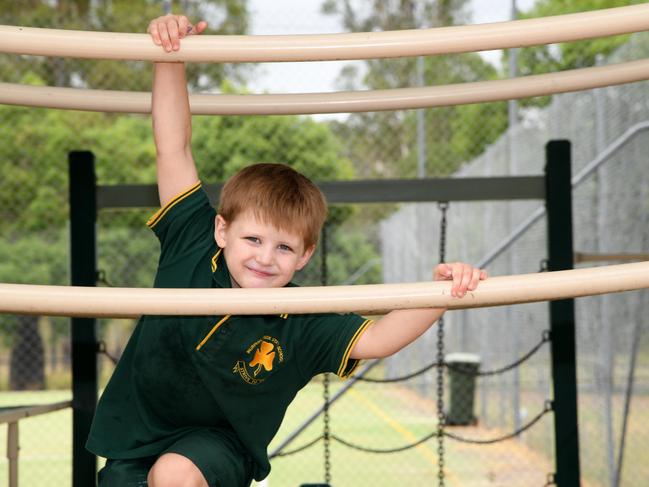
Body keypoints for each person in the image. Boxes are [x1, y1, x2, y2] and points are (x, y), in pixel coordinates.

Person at [86, 14, 487, 487]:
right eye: (252, 239)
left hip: (218, 447)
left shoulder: (301, 318)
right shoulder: (191, 241)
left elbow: (377, 338)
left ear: (304, 256)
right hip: (136, 435)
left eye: (283, 247)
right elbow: (173, 147)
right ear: (221, 231)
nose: (264, 257)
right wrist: (170, 55)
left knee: (173, 475)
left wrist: (441, 293)